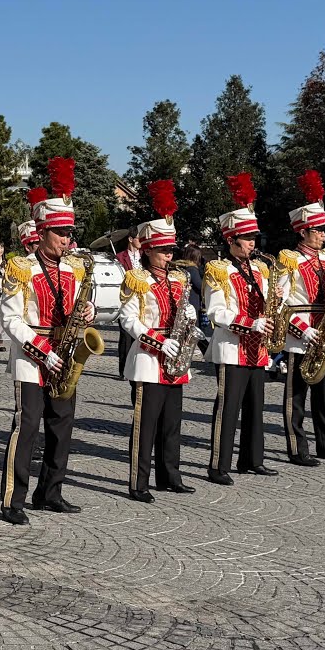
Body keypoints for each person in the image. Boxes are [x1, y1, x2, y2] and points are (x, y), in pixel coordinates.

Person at [0, 158, 95, 523]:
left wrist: (87, 315)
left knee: (62, 426)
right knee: (27, 427)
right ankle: (13, 500)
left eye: (70, 233)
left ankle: (50, 492)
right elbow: (10, 318)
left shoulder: (74, 268)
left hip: (65, 353)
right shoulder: (20, 267)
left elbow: (81, 307)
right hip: (32, 356)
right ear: (41, 232)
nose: (68, 240)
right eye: (61, 234)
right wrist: (41, 351)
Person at [118, 180, 195, 502]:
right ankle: (139, 483)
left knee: (171, 423)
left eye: (171, 250)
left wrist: (191, 318)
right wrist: (156, 341)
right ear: (148, 250)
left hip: (175, 359)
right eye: (163, 250)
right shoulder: (137, 278)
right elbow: (127, 319)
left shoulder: (179, 279)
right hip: (150, 359)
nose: (168, 256)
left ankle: (170, 476)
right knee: (144, 426)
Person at [276, 170, 325, 465]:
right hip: (302, 335)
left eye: (324, 230)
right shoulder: (289, 260)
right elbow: (279, 304)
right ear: (303, 232)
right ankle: (297, 448)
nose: (324, 234)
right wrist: (301, 330)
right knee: (296, 398)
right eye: (318, 230)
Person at [204, 173, 275, 486]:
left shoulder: (260, 269)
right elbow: (217, 312)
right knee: (228, 408)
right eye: (247, 239)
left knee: (255, 408)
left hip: (256, 349)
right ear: (231, 241)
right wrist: (251, 323)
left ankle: (252, 460)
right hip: (231, 347)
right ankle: (218, 465)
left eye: (254, 239)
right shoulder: (218, 270)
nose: (253, 244)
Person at [115, 227, 142, 379]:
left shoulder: (144, 256)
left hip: (141, 299)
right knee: (125, 336)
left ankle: (136, 367)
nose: (140, 242)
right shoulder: (120, 257)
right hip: (126, 298)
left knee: (138, 333)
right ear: (131, 239)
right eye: (138, 238)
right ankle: (123, 369)